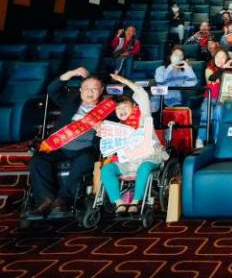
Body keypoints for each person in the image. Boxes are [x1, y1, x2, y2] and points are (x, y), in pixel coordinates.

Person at [27, 67, 109, 218]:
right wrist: (71, 73)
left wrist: (104, 128)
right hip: (60, 147)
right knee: (37, 160)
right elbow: (52, 89)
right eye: (86, 88)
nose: (90, 92)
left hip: (85, 150)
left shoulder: (108, 110)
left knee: (85, 159)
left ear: (101, 90)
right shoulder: (71, 101)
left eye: (95, 88)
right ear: (80, 90)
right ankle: (45, 200)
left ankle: (63, 200)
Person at [98, 74, 168, 215]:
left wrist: (124, 81)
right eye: (118, 108)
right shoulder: (117, 127)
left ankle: (135, 202)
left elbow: (142, 95)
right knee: (106, 170)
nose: (121, 110)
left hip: (149, 157)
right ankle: (119, 203)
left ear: (134, 106)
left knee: (144, 167)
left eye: (125, 106)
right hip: (128, 161)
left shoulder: (143, 118)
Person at [152, 46, 198, 112]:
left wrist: (188, 68)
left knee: (176, 113)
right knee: (151, 111)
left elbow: (193, 82)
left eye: (181, 55)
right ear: (170, 56)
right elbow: (161, 82)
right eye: (176, 55)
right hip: (158, 99)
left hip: (174, 100)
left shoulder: (184, 71)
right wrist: (170, 67)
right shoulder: (160, 69)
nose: (178, 57)